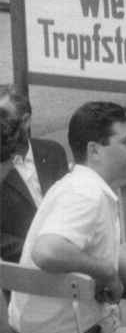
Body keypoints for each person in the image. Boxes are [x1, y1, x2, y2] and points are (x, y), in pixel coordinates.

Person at [8, 102, 126, 333]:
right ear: (94, 150)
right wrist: (106, 273)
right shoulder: (88, 196)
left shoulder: (72, 185)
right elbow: (47, 251)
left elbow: (99, 251)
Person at [0, 86, 67, 263]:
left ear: (25, 121)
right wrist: (37, 253)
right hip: (20, 268)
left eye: (4, 118)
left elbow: (68, 206)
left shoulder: (53, 152)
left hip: (69, 257)